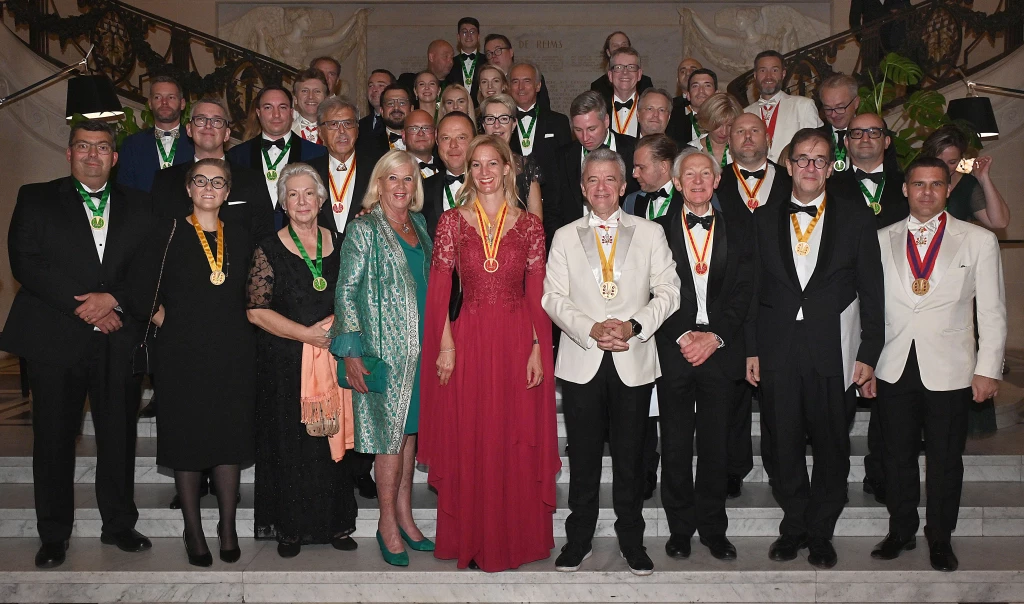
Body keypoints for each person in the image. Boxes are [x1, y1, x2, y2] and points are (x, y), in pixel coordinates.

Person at [1, 119, 154, 569]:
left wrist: (114, 301)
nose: (93, 155)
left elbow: (149, 267)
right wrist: (83, 307)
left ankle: (119, 524)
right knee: (52, 438)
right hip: (54, 336)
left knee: (118, 435)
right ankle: (53, 534)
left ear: (115, 157)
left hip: (118, 338)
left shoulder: (141, 205)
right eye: (83, 147)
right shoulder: (36, 197)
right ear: (69, 154)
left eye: (102, 147)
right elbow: (25, 261)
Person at [419, 134, 559, 572]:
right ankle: (474, 538)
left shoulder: (531, 225)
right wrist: (445, 345)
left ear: (506, 168)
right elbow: (440, 292)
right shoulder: (450, 222)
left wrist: (539, 346)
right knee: (473, 434)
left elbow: (539, 291)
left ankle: (516, 539)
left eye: (491, 163)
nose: (483, 172)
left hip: (519, 337)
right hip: (469, 338)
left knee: (514, 437)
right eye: (476, 164)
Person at [746, 128, 884, 569]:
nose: (809, 167)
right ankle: (795, 525)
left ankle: (821, 531)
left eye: (819, 160)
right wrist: (751, 349)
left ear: (831, 166)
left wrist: (869, 353)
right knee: (781, 443)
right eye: (802, 159)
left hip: (834, 347)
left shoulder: (856, 217)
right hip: (778, 345)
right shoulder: (763, 217)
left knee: (831, 444)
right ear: (787, 165)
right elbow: (750, 291)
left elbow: (873, 290)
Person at [542, 148, 681, 576]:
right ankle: (578, 539)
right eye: (592, 181)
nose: (601, 188)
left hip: (633, 358)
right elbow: (552, 297)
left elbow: (669, 291)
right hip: (583, 357)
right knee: (583, 457)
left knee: (631, 457)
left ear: (624, 186)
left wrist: (634, 326)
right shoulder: (564, 236)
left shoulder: (651, 232)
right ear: (583, 189)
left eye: (609, 180)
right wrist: (591, 329)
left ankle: (632, 540)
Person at [870, 157, 1006, 572]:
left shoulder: (978, 240)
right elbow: (867, 309)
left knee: (946, 459)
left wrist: (988, 369)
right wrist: (864, 363)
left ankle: (941, 537)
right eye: (918, 184)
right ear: (904, 189)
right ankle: (901, 530)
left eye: (935, 184)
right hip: (893, 364)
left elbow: (994, 311)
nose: (926, 192)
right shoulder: (880, 239)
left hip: (951, 368)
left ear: (948, 189)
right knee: (896, 456)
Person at [127, 158, 255, 567]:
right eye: (201, 181)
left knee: (228, 437)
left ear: (227, 191)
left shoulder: (240, 233)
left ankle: (228, 526)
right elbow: (137, 285)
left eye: (218, 182)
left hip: (233, 350)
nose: (209, 188)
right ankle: (193, 529)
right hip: (181, 353)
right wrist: (165, 319)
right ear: (188, 187)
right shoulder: (166, 230)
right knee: (186, 439)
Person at [247, 163, 358, 558]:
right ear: (282, 202)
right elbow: (256, 311)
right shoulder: (268, 247)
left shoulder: (343, 242)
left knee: (332, 441)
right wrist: (306, 334)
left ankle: (336, 524)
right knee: (291, 445)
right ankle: (290, 529)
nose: (301, 201)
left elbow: (357, 295)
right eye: (292, 194)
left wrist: (341, 328)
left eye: (308, 193)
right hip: (285, 364)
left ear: (321, 199)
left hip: (333, 361)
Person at [331, 150, 433, 567]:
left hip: (421, 349)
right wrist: (351, 351)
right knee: (388, 440)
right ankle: (385, 522)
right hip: (383, 352)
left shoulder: (420, 225)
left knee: (408, 437)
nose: (401, 187)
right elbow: (345, 291)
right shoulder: (364, 229)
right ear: (379, 183)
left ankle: (406, 517)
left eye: (408, 179)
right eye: (393, 178)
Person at [654, 148, 754, 562]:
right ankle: (679, 529)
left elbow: (745, 291)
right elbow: (651, 290)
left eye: (705, 174)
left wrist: (714, 337)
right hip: (673, 350)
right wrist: (683, 335)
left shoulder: (742, 228)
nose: (697, 181)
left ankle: (714, 529)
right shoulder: (654, 231)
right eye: (688, 174)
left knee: (716, 446)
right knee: (675, 444)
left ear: (716, 182)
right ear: (676, 183)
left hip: (720, 350)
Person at [715, 112, 792, 497]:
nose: (747, 137)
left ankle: (781, 468)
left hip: (779, 301)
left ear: (768, 136)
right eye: (739, 131)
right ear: (728, 139)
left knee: (777, 391)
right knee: (733, 389)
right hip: (730, 301)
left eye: (754, 130)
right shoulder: (713, 182)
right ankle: (733, 466)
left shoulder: (793, 180)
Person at [623, 133, 680, 501]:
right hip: (635, 316)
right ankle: (642, 471)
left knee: (673, 405)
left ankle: (676, 480)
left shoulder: (693, 199)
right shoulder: (629, 201)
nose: (635, 173)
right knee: (639, 401)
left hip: (675, 317)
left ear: (663, 166)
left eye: (641, 166)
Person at [152, 97, 275, 243]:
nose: (208, 126)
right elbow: (155, 234)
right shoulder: (165, 179)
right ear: (189, 130)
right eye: (201, 119)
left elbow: (265, 236)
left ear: (227, 134)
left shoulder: (252, 179)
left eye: (217, 121)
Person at [225, 86, 326, 230]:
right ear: (258, 113)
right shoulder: (237, 155)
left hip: (300, 240)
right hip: (250, 240)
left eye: (282, 107)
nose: (276, 114)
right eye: (268, 108)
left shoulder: (317, 153)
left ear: (291, 112)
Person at [552, 91, 639, 232]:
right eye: (578, 130)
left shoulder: (633, 149)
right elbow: (553, 211)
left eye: (591, 129)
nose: (585, 137)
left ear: (606, 121)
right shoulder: (561, 157)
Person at [307, 97, 377, 238]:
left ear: (357, 129)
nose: (342, 131)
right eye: (333, 124)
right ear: (320, 132)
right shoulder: (307, 172)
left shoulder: (377, 169)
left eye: (348, 123)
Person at [919, 125, 1010, 229]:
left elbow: (1000, 222)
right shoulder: (912, 181)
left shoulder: (966, 184)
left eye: (952, 162)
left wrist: (983, 178)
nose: (945, 168)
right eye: (939, 161)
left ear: (960, 159)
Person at [116, 75, 195, 192]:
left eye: (171, 97)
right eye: (158, 97)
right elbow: (124, 190)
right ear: (150, 104)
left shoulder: (196, 142)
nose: (164, 102)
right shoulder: (132, 144)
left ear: (182, 103)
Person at [743, 51, 822, 162]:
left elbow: (814, 149)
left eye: (774, 70)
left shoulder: (804, 106)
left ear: (783, 74)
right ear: (755, 75)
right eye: (762, 70)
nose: (768, 76)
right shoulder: (744, 113)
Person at [479, 94, 544, 219]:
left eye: (504, 119)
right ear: (483, 125)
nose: (496, 125)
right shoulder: (472, 164)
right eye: (490, 119)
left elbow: (536, 224)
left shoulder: (527, 167)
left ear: (514, 124)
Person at [421, 111, 475, 236]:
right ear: (437, 142)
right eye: (446, 138)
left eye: (461, 137)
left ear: (474, 141)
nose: (453, 145)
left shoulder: (491, 185)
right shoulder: (422, 189)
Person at [483, 33, 552, 111]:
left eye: (498, 50)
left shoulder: (532, 74)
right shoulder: (486, 82)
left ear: (511, 52)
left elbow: (544, 109)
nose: (493, 56)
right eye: (489, 53)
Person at [590, 32, 653, 111]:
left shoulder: (645, 82)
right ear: (608, 52)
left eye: (624, 44)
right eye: (615, 45)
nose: (620, 48)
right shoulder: (597, 86)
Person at [817, 74, 860, 175]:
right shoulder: (816, 136)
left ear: (856, 102)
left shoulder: (873, 135)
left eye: (840, 107)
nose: (833, 114)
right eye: (828, 109)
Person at [688, 92, 741, 170]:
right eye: (718, 125)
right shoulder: (690, 149)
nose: (724, 132)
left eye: (730, 125)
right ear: (707, 120)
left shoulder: (742, 149)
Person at [362, 84, 414, 157]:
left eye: (402, 103)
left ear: (411, 109)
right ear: (381, 111)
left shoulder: (426, 140)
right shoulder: (366, 145)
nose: (396, 108)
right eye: (390, 103)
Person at [604, 47, 645, 138]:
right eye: (618, 67)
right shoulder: (599, 109)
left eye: (631, 67)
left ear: (639, 74)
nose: (625, 72)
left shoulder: (649, 109)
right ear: (610, 75)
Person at [665, 59, 703, 145]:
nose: (688, 73)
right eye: (683, 71)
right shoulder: (669, 107)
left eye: (693, 70)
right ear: (678, 81)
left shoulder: (717, 105)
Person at [447, 17, 483, 98]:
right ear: (458, 37)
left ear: (478, 37)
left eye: (472, 32)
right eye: (464, 32)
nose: (468, 35)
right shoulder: (450, 63)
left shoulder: (487, 62)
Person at [291, 68, 329, 144]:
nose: (311, 96)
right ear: (295, 99)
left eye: (317, 91)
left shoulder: (338, 132)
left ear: (326, 99)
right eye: (305, 91)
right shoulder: (285, 132)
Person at [358, 69, 396, 141]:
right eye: (371, 85)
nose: (374, 90)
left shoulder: (403, 121)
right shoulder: (360, 125)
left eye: (381, 85)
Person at [403, 110, 441, 179]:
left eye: (426, 128)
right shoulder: (395, 169)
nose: (421, 134)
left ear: (435, 134)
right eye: (414, 129)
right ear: (403, 135)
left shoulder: (446, 166)